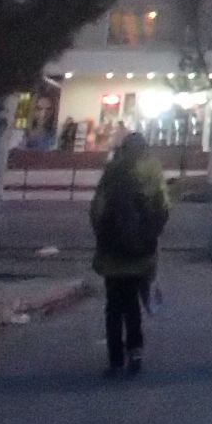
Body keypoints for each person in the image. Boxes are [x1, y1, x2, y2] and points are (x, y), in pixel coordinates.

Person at [89, 132, 170, 377]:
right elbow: (164, 207)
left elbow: (97, 208)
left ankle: (115, 360)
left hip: (113, 252)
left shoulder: (113, 171)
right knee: (133, 303)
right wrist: (151, 233)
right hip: (141, 252)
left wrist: (103, 235)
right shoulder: (153, 171)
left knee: (114, 307)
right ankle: (135, 352)